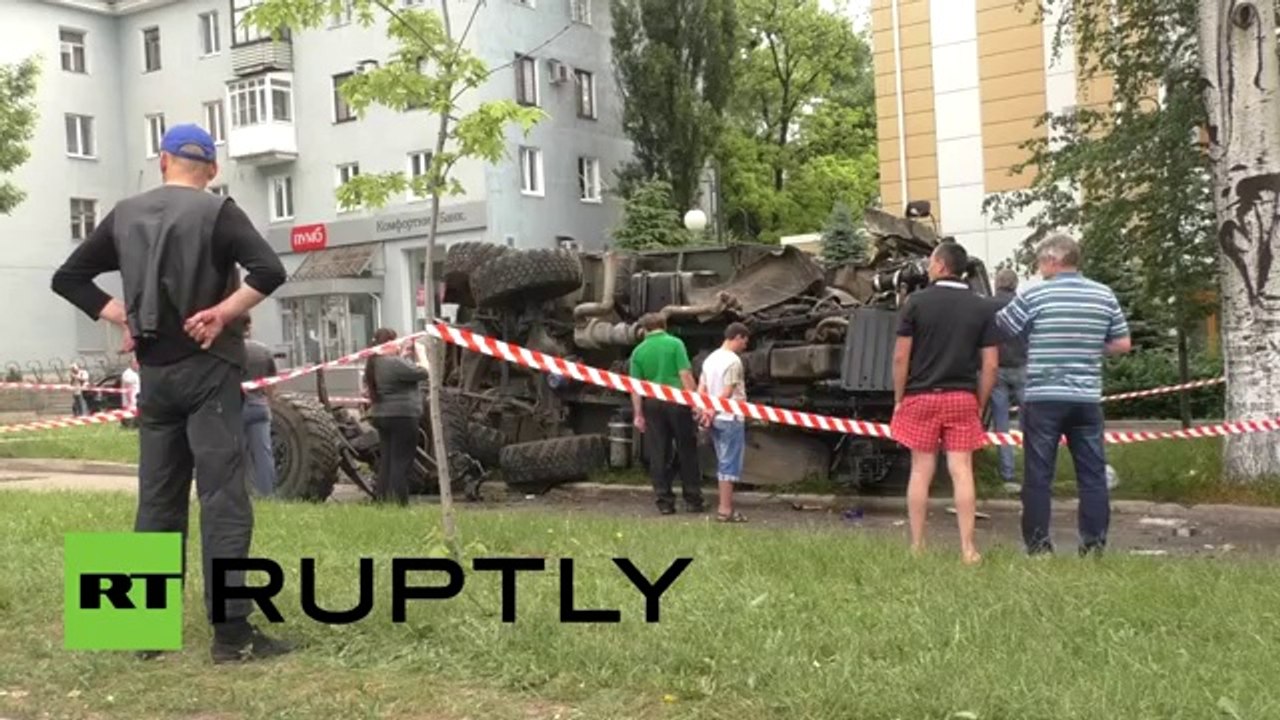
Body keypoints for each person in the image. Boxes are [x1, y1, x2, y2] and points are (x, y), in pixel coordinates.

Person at [50, 123, 290, 663]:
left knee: (157, 497)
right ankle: (232, 636)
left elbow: (68, 278)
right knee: (222, 498)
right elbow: (269, 270)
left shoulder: (124, 213)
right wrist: (222, 313)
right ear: (212, 170)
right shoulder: (219, 212)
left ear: (162, 161)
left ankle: (141, 631)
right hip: (210, 370)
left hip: (155, 376)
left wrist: (123, 316)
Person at [995, 233, 1131, 557]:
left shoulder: (1035, 294)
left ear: (1053, 261)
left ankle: (1039, 547)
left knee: (1039, 474)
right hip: (1086, 398)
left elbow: (1002, 326)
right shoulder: (1104, 294)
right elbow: (1123, 343)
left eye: (1040, 263)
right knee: (1092, 474)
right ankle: (1093, 545)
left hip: (1043, 397)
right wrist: (1088, 347)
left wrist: (1038, 339)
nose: (1039, 269)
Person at [890, 241, 998, 565]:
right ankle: (968, 549)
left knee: (920, 470)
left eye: (930, 262)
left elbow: (900, 357)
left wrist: (899, 399)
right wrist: (979, 403)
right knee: (961, 470)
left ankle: (918, 545)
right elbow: (991, 365)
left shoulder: (915, 303)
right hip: (962, 397)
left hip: (921, 396)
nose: (927, 268)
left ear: (940, 265)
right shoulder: (982, 307)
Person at [629, 313, 705, 515]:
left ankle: (664, 501)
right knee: (686, 448)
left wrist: (638, 414)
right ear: (664, 325)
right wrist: (696, 403)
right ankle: (693, 499)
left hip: (653, 404)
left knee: (659, 451)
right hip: (677, 401)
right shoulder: (675, 344)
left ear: (644, 329)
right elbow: (685, 375)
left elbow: (635, 387)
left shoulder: (638, 351)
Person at [364, 327, 428, 506]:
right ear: (388, 344)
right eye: (396, 341)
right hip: (403, 416)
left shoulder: (375, 363)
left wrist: (404, 355)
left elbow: (400, 370)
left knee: (387, 461)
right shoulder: (392, 363)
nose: (399, 344)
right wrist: (422, 354)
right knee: (402, 462)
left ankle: (382, 501)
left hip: (382, 415)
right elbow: (424, 372)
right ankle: (399, 504)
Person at [697, 323, 750, 523]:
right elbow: (728, 392)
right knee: (729, 464)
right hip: (730, 416)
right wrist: (713, 409)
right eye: (744, 341)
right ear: (737, 337)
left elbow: (701, 389)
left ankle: (724, 507)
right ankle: (725, 510)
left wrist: (704, 410)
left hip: (715, 418)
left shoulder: (710, 359)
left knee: (722, 460)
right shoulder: (733, 361)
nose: (745, 346)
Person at [989, 268, 1028, 494]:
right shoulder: (1024, 305)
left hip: (997, 369)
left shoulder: (987, 306)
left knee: (1001, 422)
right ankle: (1034, 469)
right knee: (1031, 421)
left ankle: (1008, 474)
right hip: (1022, 366)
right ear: (1015, 284)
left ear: (997, 283)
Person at [242, 315, 278, 497]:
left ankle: (243, 492)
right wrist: (269, 403)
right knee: (264, 453)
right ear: (249, 327)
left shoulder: (229, 351)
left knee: (237, 454)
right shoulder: (263, 351)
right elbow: (272, 382)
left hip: (235, 408)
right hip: (259, 406)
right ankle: (267, 493)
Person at [120, 358, 141, 430]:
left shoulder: (135, 373)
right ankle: (128, 426)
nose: (138, 365)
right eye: (136, 364)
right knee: (129, 414)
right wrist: (130, 400)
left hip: (137, 398)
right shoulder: (127, 374)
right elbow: (127, 387)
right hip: (130, 399)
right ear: (131, 364)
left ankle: (135, 425)